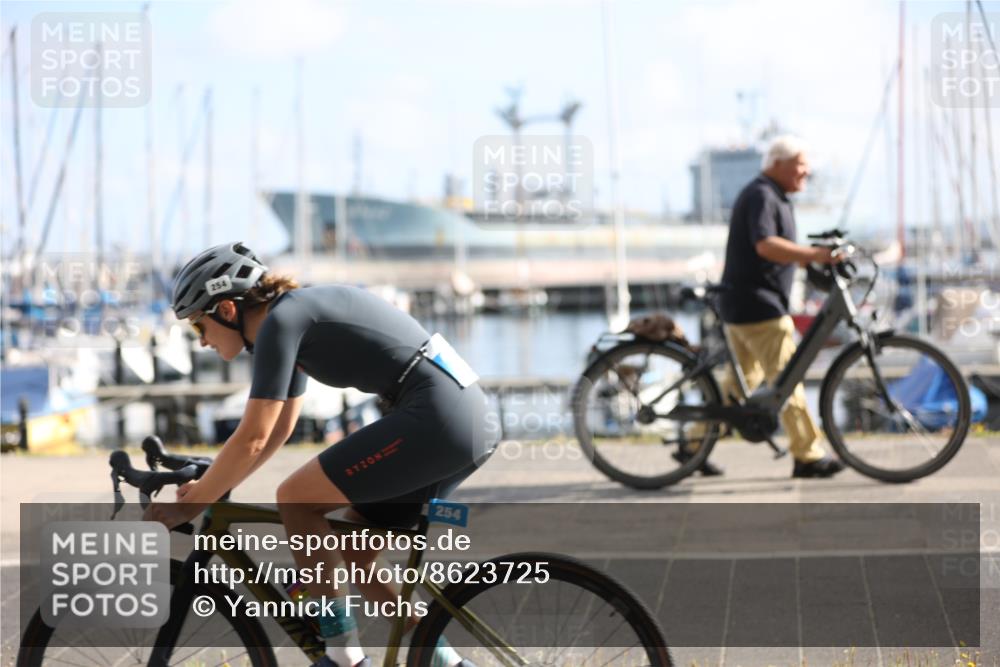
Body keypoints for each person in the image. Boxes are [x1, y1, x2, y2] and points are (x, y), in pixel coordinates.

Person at [148, 242, 491, 667]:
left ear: (227, 310)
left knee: (295, 498)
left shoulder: (281, 322)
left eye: (199, 326)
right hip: (459, 416)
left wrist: (195, 502)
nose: (200, 342)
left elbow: (254, 436)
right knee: (356, 548)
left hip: (440, 415)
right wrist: (217, 481)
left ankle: (344, 657)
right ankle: (443, 661)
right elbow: (278, 429)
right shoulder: (288, 318)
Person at [718, 135, 846, 478]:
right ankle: (808, 455)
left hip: (743, 303)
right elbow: (766, 245)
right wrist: (814, 255)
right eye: (801, 164)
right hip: (759, 307)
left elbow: (777, 250)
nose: (807, 171)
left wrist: (810, 259)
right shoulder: (763, 195)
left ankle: (692, 445)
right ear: (777, 164)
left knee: (740, 382)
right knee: (787, 380)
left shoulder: (771, 195)